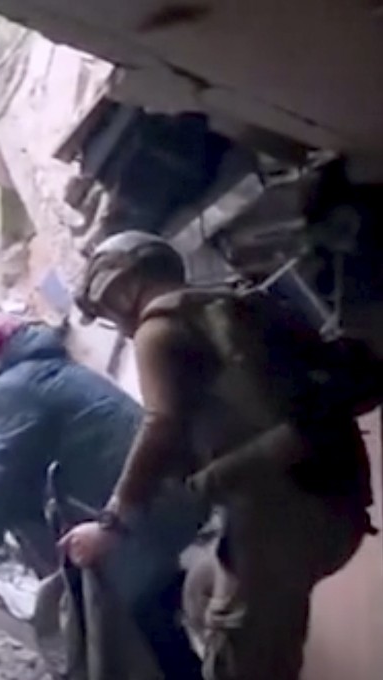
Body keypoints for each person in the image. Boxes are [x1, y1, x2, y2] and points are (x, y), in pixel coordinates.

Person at [59, 230, 377, 680]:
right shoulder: (229, 305)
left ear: (124, 287)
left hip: (281, 512)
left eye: (109, 306)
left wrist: (111, 523)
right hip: (331, 495)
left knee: (241, 663)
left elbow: (160, 426)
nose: (116, 320)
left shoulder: (158, 328)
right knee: (200, 588)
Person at [0, 321, 206, 678]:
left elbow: (0, 476)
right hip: (169, 496)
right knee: (156, 610)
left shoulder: (15, 388)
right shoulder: (53, 371)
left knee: (141, 622)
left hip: (142, 510)